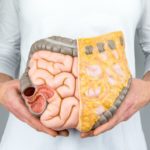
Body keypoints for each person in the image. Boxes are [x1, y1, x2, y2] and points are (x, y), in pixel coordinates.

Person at [0, 0, 150, 149]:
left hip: (120, 142)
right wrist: (2, 90)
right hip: (28, 142)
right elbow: (4, 53)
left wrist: (147, 89)